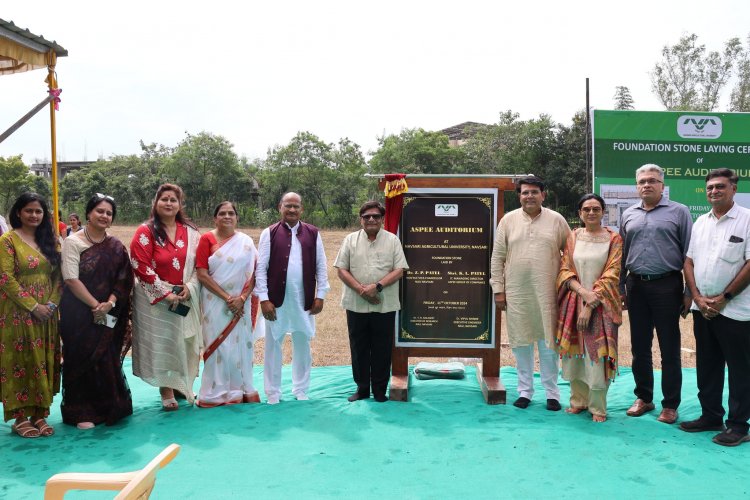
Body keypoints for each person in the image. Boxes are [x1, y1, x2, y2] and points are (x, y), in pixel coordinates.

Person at [681, 168, 750, 447]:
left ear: (733, 188)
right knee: (707, 366)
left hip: (735, 310)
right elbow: (689, 261)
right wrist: (697, 297)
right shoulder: (700, 222)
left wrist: (725, 297)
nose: (714, 192)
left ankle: (738, 425)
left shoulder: (746, 220)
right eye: (710, 187)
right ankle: (710, 416)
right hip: (703, 309)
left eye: (720, 187)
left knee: (740, 369)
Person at [490, 175, 570, 410]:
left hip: (548, 293)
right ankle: (525, 391)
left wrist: (569, 286)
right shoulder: (508, 220)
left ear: (543, 195)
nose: (530, 196)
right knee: (521, 342)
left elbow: (571, 253)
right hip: (517, 292)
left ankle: (552, 394)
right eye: (525, 192)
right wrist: (498, 290)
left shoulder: (556, 220)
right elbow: (498, 257)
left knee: (548, 345)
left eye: (534, 192)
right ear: (519, 196)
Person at [620, 164, 692, 424]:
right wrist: (620, 286)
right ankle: (644, 397)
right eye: (642, 181)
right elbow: (622, 255)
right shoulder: (628, 215)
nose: (646, 185)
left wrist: (688, 292)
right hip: (636, 286)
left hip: (667, 285)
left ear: (662, 185)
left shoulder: (679, 212)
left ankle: (670, 404)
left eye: (652, 180)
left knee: (669, 347)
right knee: (639, 346)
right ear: (636, 185)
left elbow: (689, 255)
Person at [59, 194, 134, 429]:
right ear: (89, 213)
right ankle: (82, 412)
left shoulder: (115, 246)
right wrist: (95, 305)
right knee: (81, 358)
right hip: (78, 314)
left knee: (107, 357)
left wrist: (109, 304)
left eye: (109, 213)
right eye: (100, 211)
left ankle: (110, 406)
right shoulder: (73, 242)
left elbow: (124, 279)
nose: (104, 216)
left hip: (109, 311)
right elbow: (70, 279)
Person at [130, 183, 202, 411]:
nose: (169, 203)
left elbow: (199, 265)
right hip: (158, 302)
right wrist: (165, 293)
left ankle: (183, 385)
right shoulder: (146, 231)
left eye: (173, 199)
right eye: (164, 199)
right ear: (155, 203)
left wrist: (189, 287)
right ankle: (166, 389)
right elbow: (140, 264)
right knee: (164, 344)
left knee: (185, 342)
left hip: (184, 295)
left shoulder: (190, 232)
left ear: (180, 204)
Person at [254, 192, 329, 404]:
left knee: (303, 344)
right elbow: (261, 269)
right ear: (280, 207)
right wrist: (264, 299)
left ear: (301, 209)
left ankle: (301, 389)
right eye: (288, 206)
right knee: (272, 345)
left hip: (303, 299)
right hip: (276, 301)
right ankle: (273, 392)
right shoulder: (268, 233)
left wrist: (320, 295)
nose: (292, 210)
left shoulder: (313, 233)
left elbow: (321, 266)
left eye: (296, 206)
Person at [555, 194, 622, 422]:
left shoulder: (614, 239)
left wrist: (590, 304)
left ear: (603, 211)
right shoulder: (573, 237)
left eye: (596, 208)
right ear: (580, 214)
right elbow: (565, 271)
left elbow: (612, 274)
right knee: (575, 354)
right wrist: (583, 294)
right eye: (586, 209)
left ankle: (598, 408)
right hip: (573, 303)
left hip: (602, 307)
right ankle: (578, 401)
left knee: (597, 356)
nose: (591, 213)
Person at [0, 193, 62, 438]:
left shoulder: (50, 241)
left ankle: (39, 414)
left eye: (38, 211)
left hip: (47, 313)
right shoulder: (8, 240)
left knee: (43, 360)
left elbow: (59, 278)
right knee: (19, 361)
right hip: (17, 311)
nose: (34, 215)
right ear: (18, 213)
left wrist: (51, 305)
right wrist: (33, 306)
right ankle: (19, 417)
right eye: (29, 211)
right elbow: (5, 278)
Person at [334, 201, 409, 402]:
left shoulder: (392, 240)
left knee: (382, 348)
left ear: (382, 219)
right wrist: (361, 290)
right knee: (358, 348)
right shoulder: (350, 240)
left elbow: (399, 270)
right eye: (367, 216)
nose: (371, 220)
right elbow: (341, 269)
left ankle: (379, 390)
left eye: (375, 216)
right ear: (361, 219)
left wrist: (376, 287)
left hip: (384, 304)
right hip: (356, 303)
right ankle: (362, 389)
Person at [196, 201, 264, 407]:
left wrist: (242, 299)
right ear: (214, 218)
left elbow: (255, 273)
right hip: (214, 302)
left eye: (231, 213)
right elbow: (202, 274)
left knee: (239, 347)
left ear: (236, 218)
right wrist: (227, 298)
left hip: (240, 304)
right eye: (222, 213)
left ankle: (238, 390)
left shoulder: (245, 242)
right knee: (218, 346)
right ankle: (215, 392)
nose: (227, 217)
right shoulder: (206, 239)